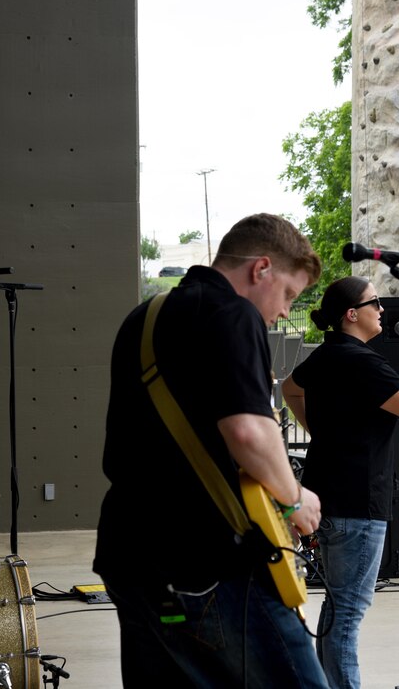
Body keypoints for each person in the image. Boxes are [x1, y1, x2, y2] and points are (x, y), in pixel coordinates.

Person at [94, 214, 329, 688]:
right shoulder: (234, 314)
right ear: (261, 268)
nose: (285, 312)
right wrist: (293, 498)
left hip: (129, 556)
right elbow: (247, 431)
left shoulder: (145, 316)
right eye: (288, 294)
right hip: (205, 563)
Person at [282, 276, 399, 689]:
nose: (383, 310)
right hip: (357, 505)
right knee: (347, 617)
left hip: (326, 498)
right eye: (375, 303)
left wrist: (319, 429)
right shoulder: (363, 361)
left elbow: (289, 388)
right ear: (352, 314)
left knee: (337, 611)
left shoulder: (326, 355)